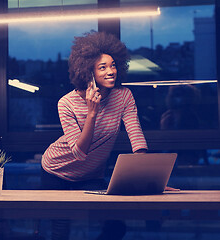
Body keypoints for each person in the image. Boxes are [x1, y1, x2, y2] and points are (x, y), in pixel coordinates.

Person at [41, 31, 148, 240]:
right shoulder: (66, 103)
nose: (111, 71)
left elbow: (136, 136)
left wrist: (147, 175)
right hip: (56, 171)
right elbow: (80, 153)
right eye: (103, 67)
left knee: (115, 226)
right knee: (60, 229)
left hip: (90, 176)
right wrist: (92, 112)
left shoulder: (124, 96)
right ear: (87, 72)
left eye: (113, 65)